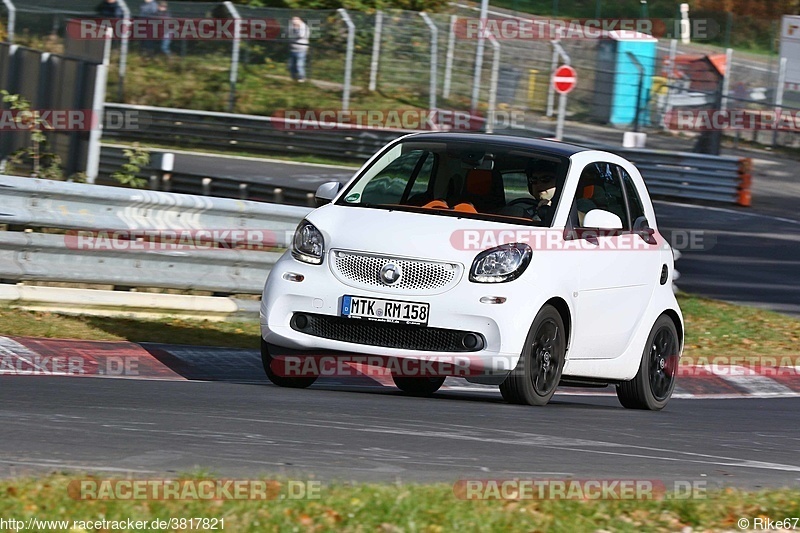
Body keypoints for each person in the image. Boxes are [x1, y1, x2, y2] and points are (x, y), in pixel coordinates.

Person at [287, 16, 309, 82]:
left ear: (300, 20)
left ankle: (301, 78)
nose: (294, 22)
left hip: (301, 49)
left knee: (300, 65)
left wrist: (296, 28)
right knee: (291, 65)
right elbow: (288, 34)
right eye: (293, 21)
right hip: (293, 49)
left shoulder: (304, 27)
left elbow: (301, 35)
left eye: (295, 21)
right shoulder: (292, 26)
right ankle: (293, 77)